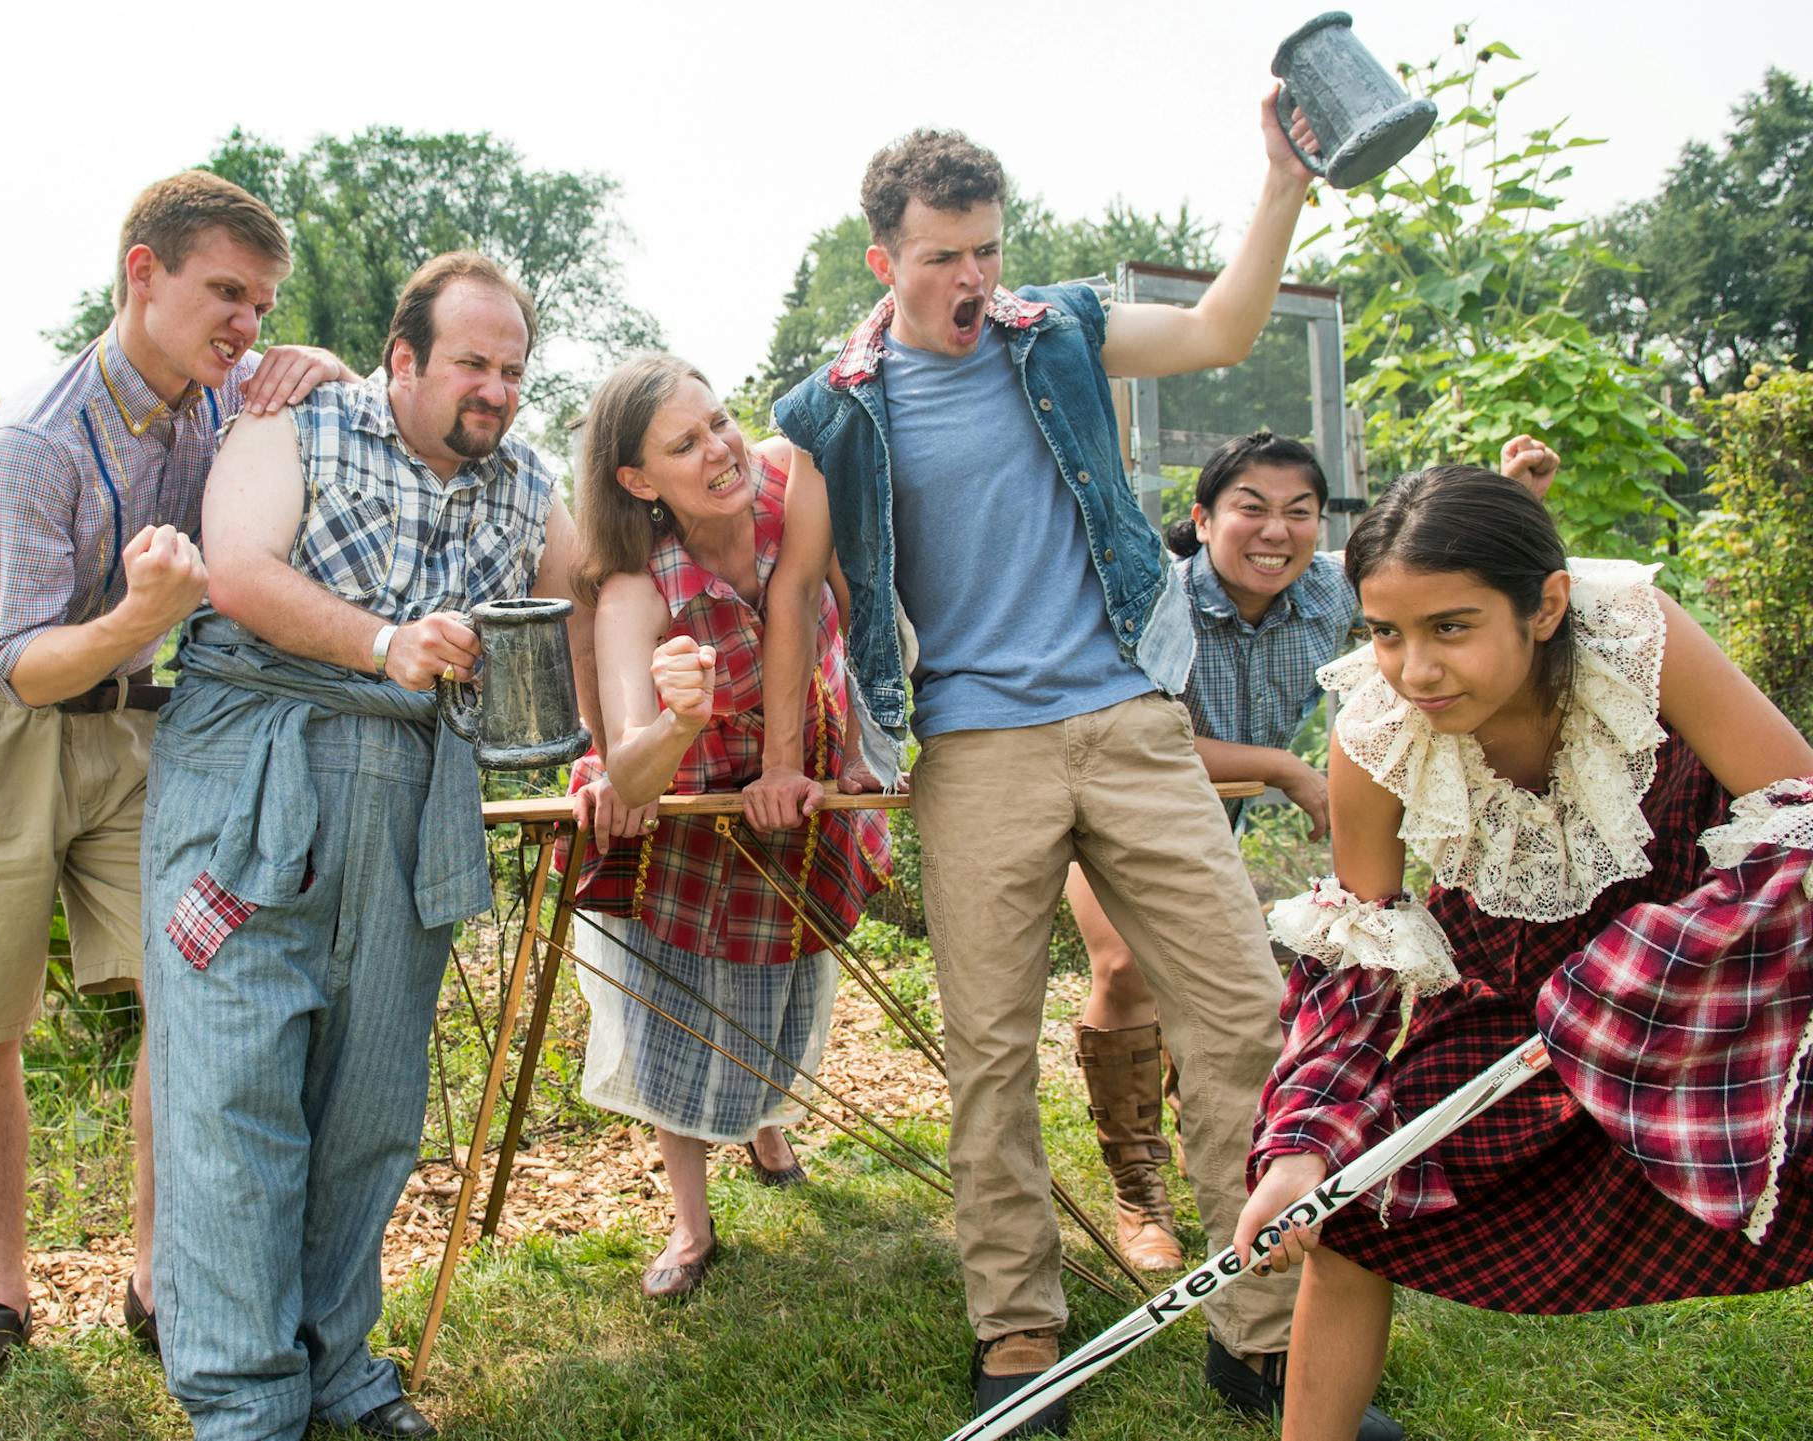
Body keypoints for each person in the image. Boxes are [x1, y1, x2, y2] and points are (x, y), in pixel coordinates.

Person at [746, 112, 1401, 1438]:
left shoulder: (1062, 332)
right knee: (989, 1054)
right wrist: (779, 761)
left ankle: (1260, 1336)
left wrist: (1278, 183)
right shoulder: (829, 410)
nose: (971, 280)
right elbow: (796, 588)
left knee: (1241, 1018)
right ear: (885, 261)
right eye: (941, 257)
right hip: (976, 748)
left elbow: (1220, 328)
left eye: (986, 249)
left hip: (1132, 719)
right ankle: (1020, 1333)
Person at [0, 171, 350, 1405]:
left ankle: (157, 1273)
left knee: (184, 988)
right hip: (0, 726)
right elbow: (24, 660)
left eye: (261, 302)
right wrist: (143, 614)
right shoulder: (31, 443)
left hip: (141, 735)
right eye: (225, 293)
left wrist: (329, 373)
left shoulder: (226, 404)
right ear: (140, 274)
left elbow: (330, 444)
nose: (246, 324)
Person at [1238, 464, 1813, 1441]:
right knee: (1353, 1217)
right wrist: (1303, 1152)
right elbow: (1362, 958)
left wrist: (1637, 977)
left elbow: (1799, 822)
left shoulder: (1638, 639)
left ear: (1543, 606)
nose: (1414, 669)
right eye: (1386, 632)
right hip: (1510, 1002)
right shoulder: (1374, 734)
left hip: (1704, 982)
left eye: (1450, 627)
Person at [141, 251, 581, 1441]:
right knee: (234, 1092)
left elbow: (591, 597)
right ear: (403, 359)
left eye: (513, 369)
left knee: (370, 1104)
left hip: (408, 796)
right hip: (255, 774)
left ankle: (337, 1369)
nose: (494, 389)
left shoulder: (529, 486)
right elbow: (235, 573)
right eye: (471, 364)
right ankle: (243, 1401)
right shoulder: (300, 422)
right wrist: (386, 643)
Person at [1067, 432, 1558, 1272]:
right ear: (1203, 518)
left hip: (1230, 823)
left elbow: (1448, 564)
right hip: (1118, 799)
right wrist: (1288, 768)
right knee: (1123, 967)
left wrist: (1514, 491)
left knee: (1249, 975)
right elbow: (1144, 740)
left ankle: (1224, 1136)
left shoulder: (1332, 592)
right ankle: (1137, 1187)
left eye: (1299, 512)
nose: (1275, 532)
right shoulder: (1155, 603)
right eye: (1250, 508)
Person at [560, 354, 891, 1299]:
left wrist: (859, 745)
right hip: (694, 828)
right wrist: (678, 721)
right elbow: (629, 764)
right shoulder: (636, 589)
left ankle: (766, 1125)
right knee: (678, 1011)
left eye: (719, 422)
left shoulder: (795, 480)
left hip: (802, 792)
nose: (719, 450)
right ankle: (692, 1224)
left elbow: (859, 623)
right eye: (684, 444)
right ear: (637, 481)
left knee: (785, 986)